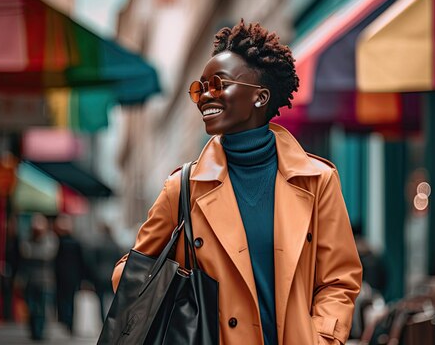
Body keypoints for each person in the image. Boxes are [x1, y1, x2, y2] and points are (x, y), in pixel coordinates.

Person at [112, 19, 362, 345]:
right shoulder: (184, 187)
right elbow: (127, 276)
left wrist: (323, 338)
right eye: (199, 88)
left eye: (218, 85)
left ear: (260, 97)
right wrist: (174, 283)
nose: (204, 97)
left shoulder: (317, 181)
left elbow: (340, 280)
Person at [20, 213, 58, 341]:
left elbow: (46, 254)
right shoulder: (27, 239)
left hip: (45, 281)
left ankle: (39, 331)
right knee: (31, 308)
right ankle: (33, 330)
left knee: (42, 308)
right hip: (30, 280)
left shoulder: (50, 239)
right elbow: (25, 252)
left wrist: (34, 253)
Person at [53, 214, 85, 335]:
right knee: (71, 300)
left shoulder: (59, 243)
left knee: (62, 298)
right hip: (73, 276)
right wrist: (82, 277)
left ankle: (65, 319)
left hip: (61, 276)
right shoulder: (76, 242)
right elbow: (82, 262)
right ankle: (70, 322)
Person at [92, 222, 123, 321]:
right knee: (113, 299)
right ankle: (112, 320)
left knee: (100, 300)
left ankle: (102, 320)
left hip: (99, 276)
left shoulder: (97, 244)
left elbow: (93, 262)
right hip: (113, 274)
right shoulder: (115, 245)